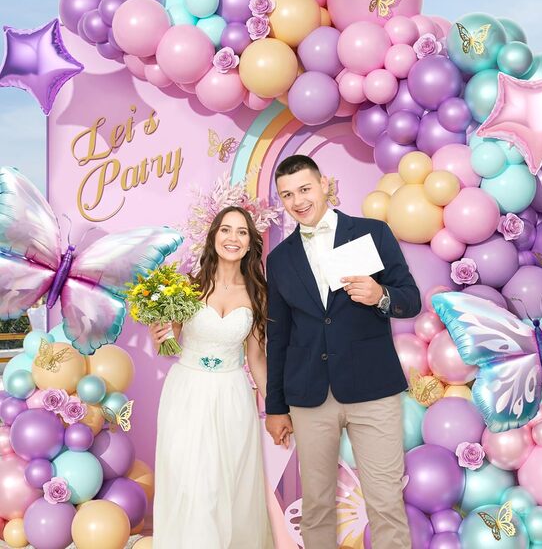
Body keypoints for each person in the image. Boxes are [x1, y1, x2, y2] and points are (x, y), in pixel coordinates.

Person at [265, 155, 421, 548]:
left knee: (385, 501)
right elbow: (278, 337)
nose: (298, 201)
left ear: (324, 185)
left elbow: (411, 299)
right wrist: (276, 407)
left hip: (374, 390)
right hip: (309, 395)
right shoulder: (279, 259)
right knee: (317, 505)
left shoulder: (372, 232)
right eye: (287, 195)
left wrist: (380, 294)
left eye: (304, 189)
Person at [150, 206, 274, 549]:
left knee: (225, 486)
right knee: (192, 484)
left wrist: (277, 408)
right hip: (187, 393)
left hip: (232, 394)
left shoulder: (258, 293)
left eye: (242, 232)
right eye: (226, 230)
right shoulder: (188, 286)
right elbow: (168, 342)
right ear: (214, 236)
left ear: (250, 243)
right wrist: (158, 333)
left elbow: (256, 358)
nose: (233, 238)